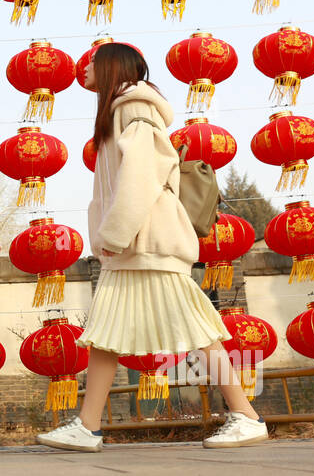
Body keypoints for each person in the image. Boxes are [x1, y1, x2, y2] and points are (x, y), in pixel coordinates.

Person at [37, 42, 268, 452]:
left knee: (195, 327)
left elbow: (140, 177)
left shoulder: (134, 109)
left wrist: (113, 234)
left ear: (112, 68)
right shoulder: (123, 109)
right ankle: (87, 427)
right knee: (108, 332)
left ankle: (246, 416)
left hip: (148, 244)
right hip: (134, 247)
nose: (83, 67)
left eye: (91, 62)